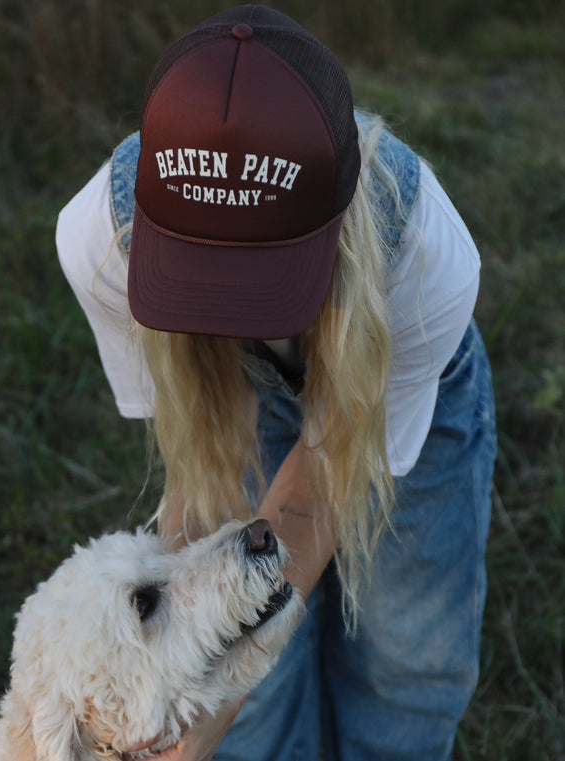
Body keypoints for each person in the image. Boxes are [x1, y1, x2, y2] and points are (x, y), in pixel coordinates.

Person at [56, 5, 497, 760]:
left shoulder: (424, 260)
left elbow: (311, 498)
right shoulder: (101, 242)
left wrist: (197, 725)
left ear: (337, 222)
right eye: (199, 281)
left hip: (390, 357)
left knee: (408, 648)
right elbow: (201, 483)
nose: (232, 316)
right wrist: (188, 700)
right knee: (246, 692)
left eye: (259, 284)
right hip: (232, 393)